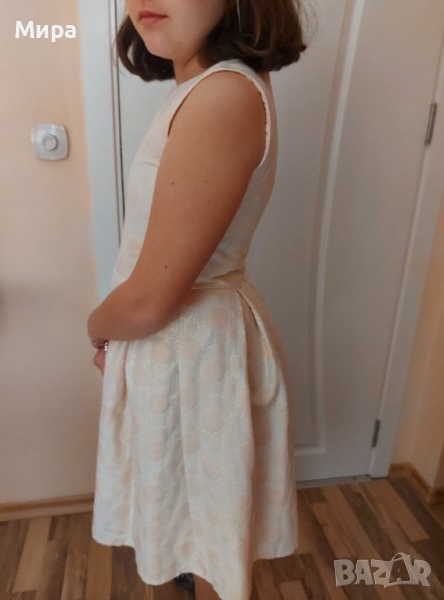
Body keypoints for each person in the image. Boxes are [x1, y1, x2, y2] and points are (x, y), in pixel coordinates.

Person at [87, 1, 308, 598]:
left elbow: (149, 301)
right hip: (184, 352)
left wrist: (97, 326)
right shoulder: (208, 89)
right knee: (197, 536)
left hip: (194, 358)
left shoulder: (222, 96)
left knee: (210, 549)